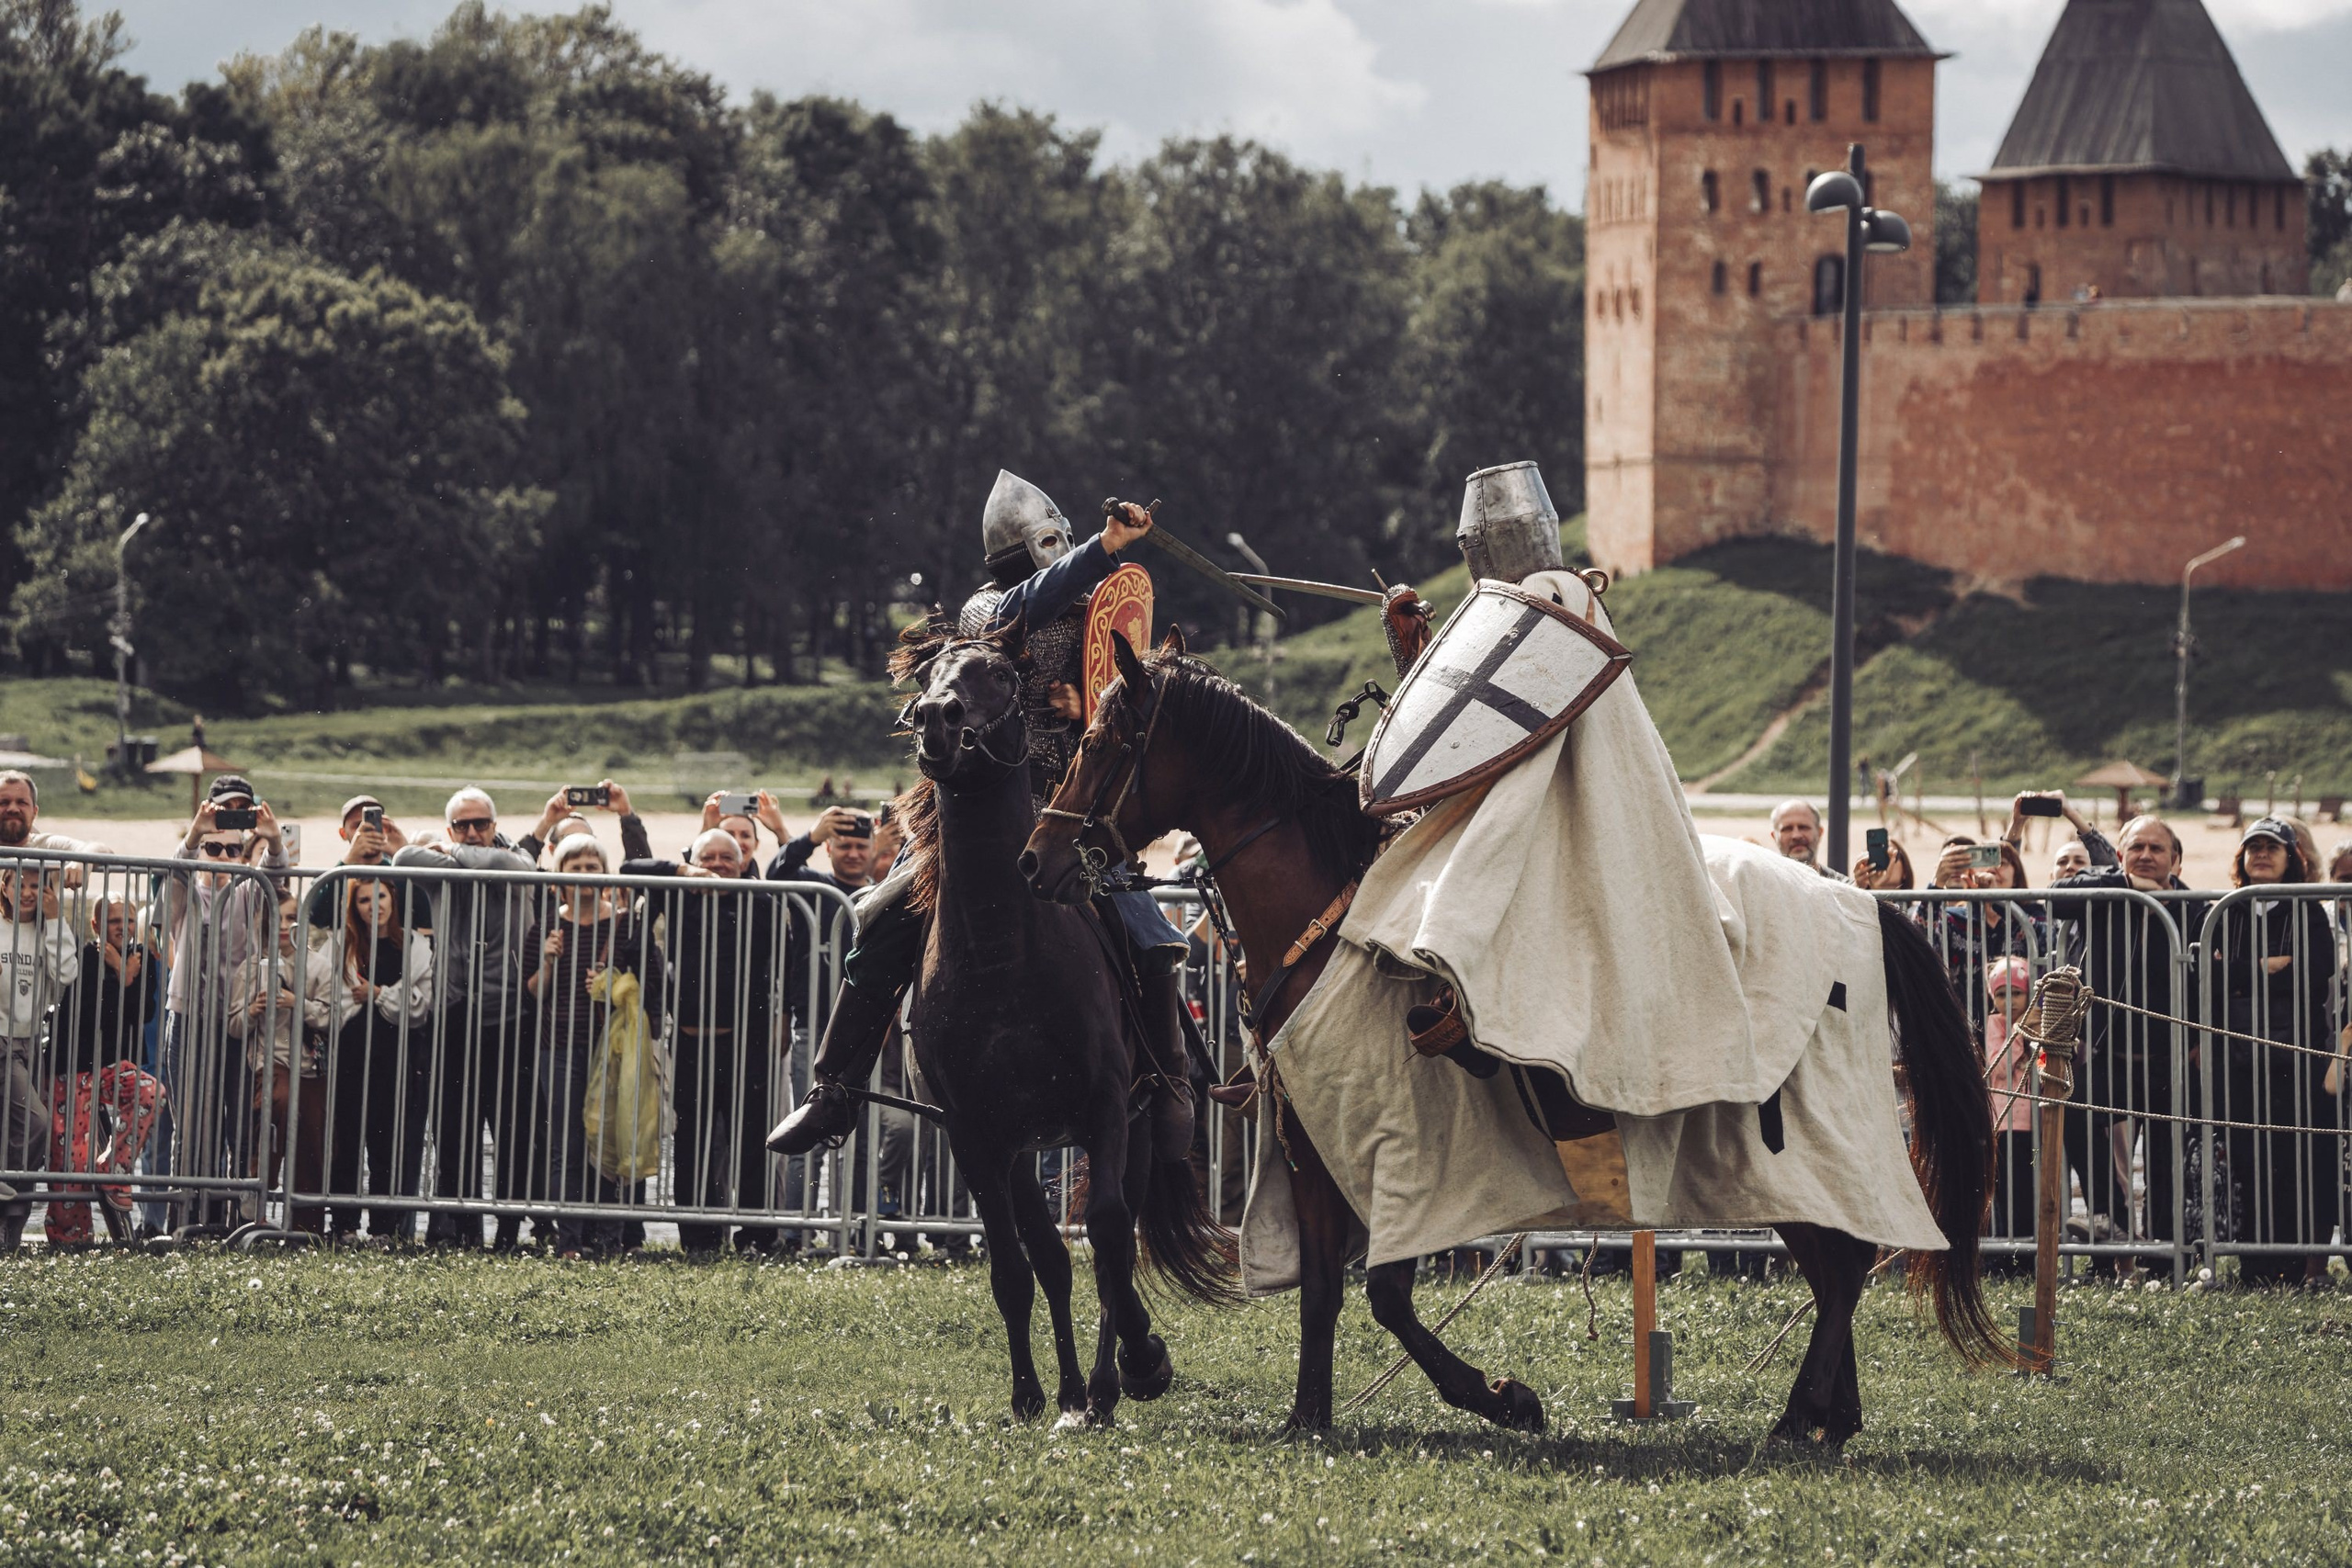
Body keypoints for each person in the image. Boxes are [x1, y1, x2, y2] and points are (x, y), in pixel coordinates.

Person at [770, 479, 1194, 1157]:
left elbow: (1123, 709)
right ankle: (834, 1089)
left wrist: (1085, 708)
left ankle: (1170, 1080)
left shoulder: (1095, 615)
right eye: (1052, 542)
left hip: (1069, 807)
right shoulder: (989, 611)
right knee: (884, 918)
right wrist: (1106, 545)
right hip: (977, 808)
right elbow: (1031, 603)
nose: (1061, 551)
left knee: (1150, 930)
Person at [2048, 810, 2207, 1259]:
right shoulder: (2106, 890)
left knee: (2165, 1165)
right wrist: (2127, 885)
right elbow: (2055, 897)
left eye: (2157, 848)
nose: (2146, 855)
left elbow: (2206, 978)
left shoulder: (2195, 906)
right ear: (2120, 855)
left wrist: (2199, 1038)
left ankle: (2165, 1262)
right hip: (2112, 1055)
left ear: (2176, 859)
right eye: (2136, 847)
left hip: (2170, 1060)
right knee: (2075, 1116)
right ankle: (2111, 1219)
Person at [623, 829, 784, 1253]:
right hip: (691, 1044)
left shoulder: (760, 901)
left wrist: (783, 1019)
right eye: (707, 858)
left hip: (745, 1044)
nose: (716, 866)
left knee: (751, 1142)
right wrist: (684, 872)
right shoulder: (679, 895)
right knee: (692, 1143)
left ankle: (756, 1236)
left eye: (726, 858)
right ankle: (699, 1238)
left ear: (743, 863)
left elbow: (786, 960)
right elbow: (629, 867)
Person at [391, 787, 537, 1247]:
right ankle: (463, 1229)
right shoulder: (441, 868)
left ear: (495, 826)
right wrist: (462, 857)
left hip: (509, 1015)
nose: (472, 832)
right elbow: (402, 857)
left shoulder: (510, 858)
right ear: (449, 825)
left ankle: (508, 1232)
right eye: (461, 825)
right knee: (455, 1130)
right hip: (454, 1013)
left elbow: (518, 869)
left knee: (511, 1132)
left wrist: (455, 851)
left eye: (481, 824)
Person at [151, 778, 289, 1234]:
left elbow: (276, 879)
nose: (225, 857)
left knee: (239, 1122)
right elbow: (169, 892)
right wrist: (194, 836)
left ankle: (235, 1221)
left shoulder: (249, 888)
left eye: (233, 850)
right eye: (215, 849)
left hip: (238, 1021)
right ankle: (188, 1219)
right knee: (192, 1124)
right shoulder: (187, 887)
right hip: (188, 1016)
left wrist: (272, 842)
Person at [2211, 818, 2338, 1283]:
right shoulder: (2226, 911)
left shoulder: (2309, 911)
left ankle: (2291, 1265)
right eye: (2254, 847)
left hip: (2297, 1058)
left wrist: (2239, 974)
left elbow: (2315, 971)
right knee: (2246, 1158)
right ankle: (2254, 1265)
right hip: (2238, 1058)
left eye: (2272, 847)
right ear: (2242, 858)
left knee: (2293, 1160)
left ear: (2291, 858)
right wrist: (2265, 967)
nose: (2262, 854)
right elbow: (2208, 975)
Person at [522, 834, 662, 1257]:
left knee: (610, 1141)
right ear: (559, 877)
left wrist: (611, 985)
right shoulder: (546, 928)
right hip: (559, 1046)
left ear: (605, 874)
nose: (584, 874)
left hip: (614, 1051)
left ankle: (609, 1238)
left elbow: (649, 985)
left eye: (592, 866)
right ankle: (569, 1240)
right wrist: (548, 960)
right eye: (575, 867)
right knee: (565, 1144)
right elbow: (534, 993)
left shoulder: (625, 924)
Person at [42, 899, 165, 1245]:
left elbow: (143, 1012)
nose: (123, 926)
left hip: (112, 1064)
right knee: (72, 1161)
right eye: (113, 921)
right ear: (96, 926)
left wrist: (126, 974)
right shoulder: (86, 957)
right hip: (71, 1065)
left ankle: (113, 1169)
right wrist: (124, 977)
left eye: (129, 920)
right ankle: (71, 1240)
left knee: (151, 1092)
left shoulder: (143, 958)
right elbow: (93, 1013)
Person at [320, 878, 435, 1245]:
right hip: (350, 1053)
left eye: (380, 896)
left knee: (386, 1142)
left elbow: (421, 1002)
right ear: (354, 906)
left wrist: (379, 994)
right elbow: (329, 994)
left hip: (395, 1055)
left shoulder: (414, 946)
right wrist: (376, 998)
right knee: (347, 1140)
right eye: (364, 900)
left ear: (392, 899)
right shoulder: (342, 945)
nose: (374, 906)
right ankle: (344, 1225)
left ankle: (384, 1227)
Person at [226, 893, 335, 1233]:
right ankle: (259, 1186)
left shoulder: (318, 966)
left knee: (312, 1134)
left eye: (291, 918)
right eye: (277, 918)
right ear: (264, 923)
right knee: (279, 1100)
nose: (285, 926)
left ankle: (307, 1227)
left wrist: (296, 1002)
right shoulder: (251, 968)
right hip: (270, 1061)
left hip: (311, 1065)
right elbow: (233, 1025)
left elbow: (333, 1016)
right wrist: (252, 1011)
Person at [0, 863, 78, 1249]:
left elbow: (66, 973)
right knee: (35, 1123)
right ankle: (8, 1197)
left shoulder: (49, 929)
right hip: (1, 1042)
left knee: (19, 1136)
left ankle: (11, 1230)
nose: (29, 892)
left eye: (37, 885)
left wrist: (56, 919)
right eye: (21, 884)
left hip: (32, 1043)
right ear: (5, 886)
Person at [1982, 956, 2037, 1267]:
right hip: (2005, 1123)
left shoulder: (2039, 1021)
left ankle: (2029, 1258)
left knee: (2029, 1192)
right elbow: (1998, 1067)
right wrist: (2019, 1035)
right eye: (2001, 995)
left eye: (2016, 993)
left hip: (2035, 1123)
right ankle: (2009, 1256)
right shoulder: (1997, 1025)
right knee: (2008, 1193)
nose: (2009, 1001)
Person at [515, 783, 651, 869]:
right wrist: (546, 822)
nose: (579, 844)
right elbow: (517, 868)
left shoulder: (611, 893)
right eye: (568, 838)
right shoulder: (543, 891)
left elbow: (641, 869)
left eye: (586, 838)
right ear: (552, 849)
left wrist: (626, 813)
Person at [1849, 840, 1915, 890]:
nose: (1884, 862)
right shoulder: (1856, 899)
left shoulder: (1917, 902)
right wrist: (1858, 888)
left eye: (1889, 856)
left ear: (1904, 871)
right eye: (1876, 856)